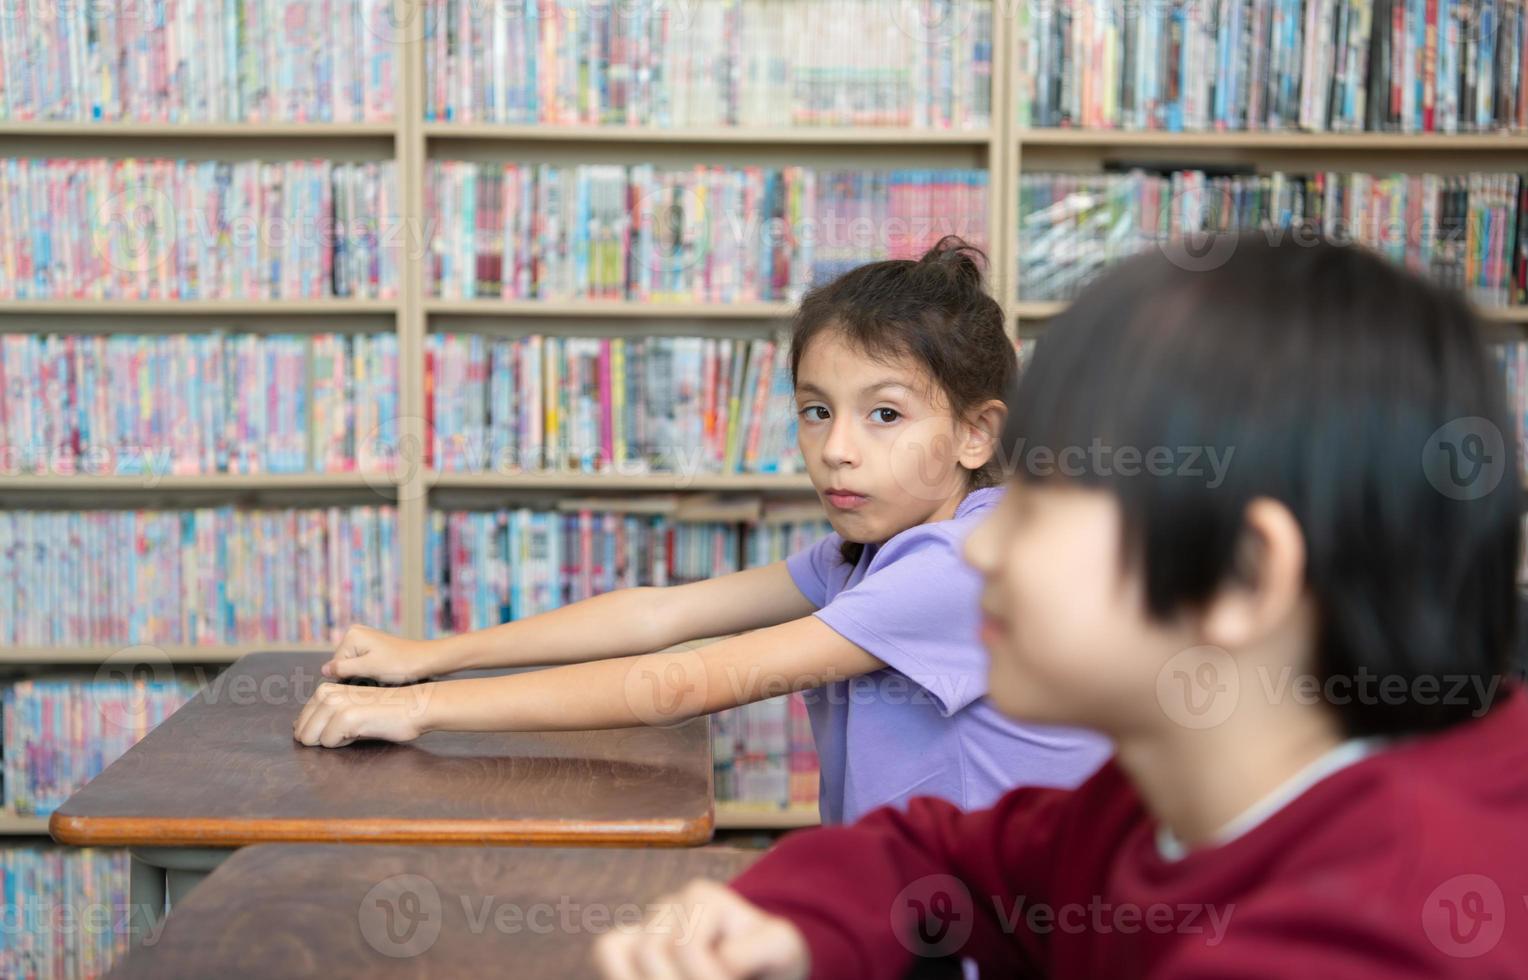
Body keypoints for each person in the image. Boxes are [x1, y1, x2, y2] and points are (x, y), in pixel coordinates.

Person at [594, 235, 1528, 977]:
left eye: (1041, 498)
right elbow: (940, 856)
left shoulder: (1368, 939)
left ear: (1245, 578)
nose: (988, 543)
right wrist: (789, 925)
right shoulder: (1157, 806)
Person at [293, 236, 1110, 824]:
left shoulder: (962, 562)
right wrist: (429, 657)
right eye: (816, 411)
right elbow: (658, 614)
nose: (837, 449)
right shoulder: (866, 554)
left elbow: (683, 682)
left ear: (977, 434)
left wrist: (424, 709)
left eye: (884, 414)